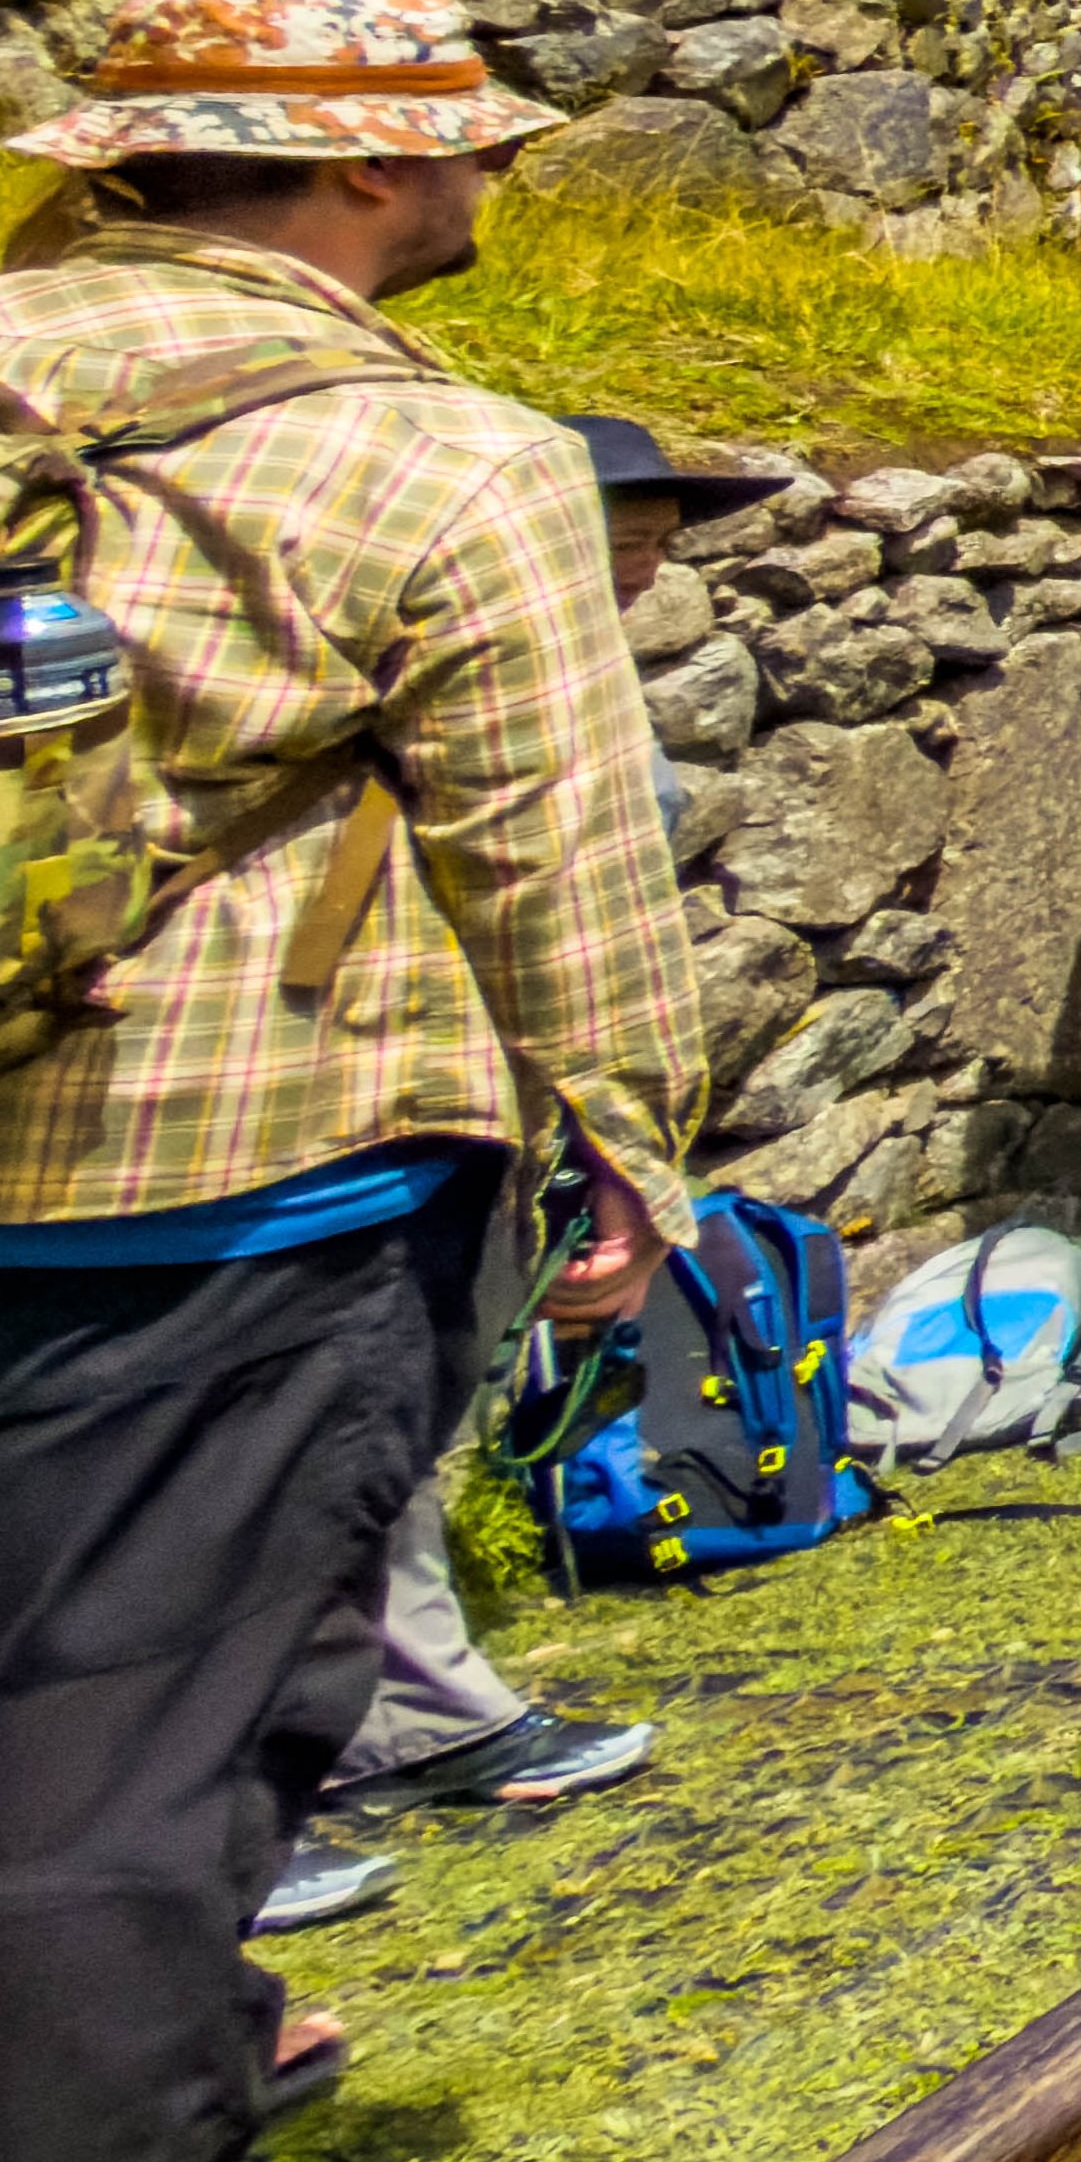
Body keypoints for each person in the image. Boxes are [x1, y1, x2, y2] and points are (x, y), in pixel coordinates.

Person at [0, 0, 721, 2162]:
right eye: (469, 147)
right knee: (133, 1752)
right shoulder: (436, 460)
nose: (493, 184)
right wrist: (628, 1149)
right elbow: (562, 857)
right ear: (369, 172)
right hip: (226, 1180)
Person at [291, 413, 768, 1863]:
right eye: (620, 529)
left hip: (475, 1084)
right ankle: (230, 1796)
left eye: (660, 533)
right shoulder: (451, 671)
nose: (647, 555)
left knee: (387, 1418)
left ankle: (407, 1712)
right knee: (290, 1434)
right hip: (362, 1086)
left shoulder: (549, 664)